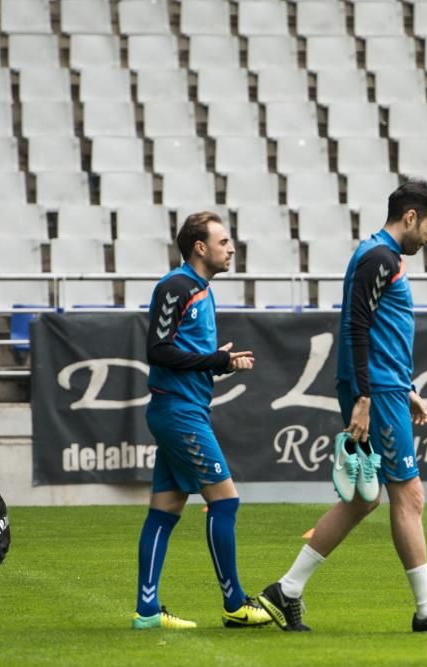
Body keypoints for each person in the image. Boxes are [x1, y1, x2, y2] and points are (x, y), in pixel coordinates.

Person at [257, 180, 427, 633]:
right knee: (410, 496)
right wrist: (366, 397)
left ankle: (286, 591)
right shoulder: (380, 257)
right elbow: (356, 327)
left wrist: (406, 386)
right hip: (375, 391)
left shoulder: (380, 255)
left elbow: (377, 330)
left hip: (385, 386)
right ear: (411, 217)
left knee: (365, 499)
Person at [132, 211, 271, 630]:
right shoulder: (176, 286)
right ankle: (234, 603)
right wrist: (215, 359)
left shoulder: (201, 290)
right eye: (224, 241)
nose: (231, 249)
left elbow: (188, 356)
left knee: (165, 509)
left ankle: (148, 612)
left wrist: (221, 364)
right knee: (225, 501)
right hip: (179, 412)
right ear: (200, 247)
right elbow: (157, 350)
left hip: (184, 407)